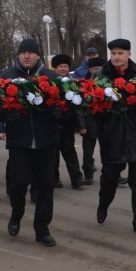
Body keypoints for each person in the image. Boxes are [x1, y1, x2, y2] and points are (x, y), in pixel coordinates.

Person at [0, 39, 60, 247]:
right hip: (19, 141)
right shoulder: (7, 77)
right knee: (19, 183)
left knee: (46, 187)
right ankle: (16, 214)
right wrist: (5, 117)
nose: (27, 56)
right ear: (18, 55)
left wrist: (58, 113)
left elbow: (64, 105)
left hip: (46, 141)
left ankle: (42, 229)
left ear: (38, 55)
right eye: (23, 52)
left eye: (31, 52)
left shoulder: (51, 77)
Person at [93, 38, 136, 237]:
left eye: (120, 53)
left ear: (129, 54)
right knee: (109, 179)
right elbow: (91, 106)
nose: (116, 57)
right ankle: (103, 206)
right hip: (111, 134)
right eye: (113, 54)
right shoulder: (100, 76)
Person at [51, 54, 85, 189]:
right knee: (54, 154)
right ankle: (54, 179)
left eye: (66, 66)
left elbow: (78, 107)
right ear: (55, 68)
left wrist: (81, 125)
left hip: (68, 124)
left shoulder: (73, 83)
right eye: (61, 66)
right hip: (53, 124)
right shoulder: (51, 83)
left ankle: (76, 179)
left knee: (70, 152)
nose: (64, 69)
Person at [80, 56, 105, 185]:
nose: (98, 72)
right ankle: (88, 173)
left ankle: (111, 174)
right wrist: (82, 125)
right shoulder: (84, 84)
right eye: (96, 69)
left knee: (107, 149)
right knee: (88, 150)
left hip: (104, 121)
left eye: (101, 69)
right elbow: (80, 107)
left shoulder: (107, 83)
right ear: (90, 69)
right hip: (90, 121)